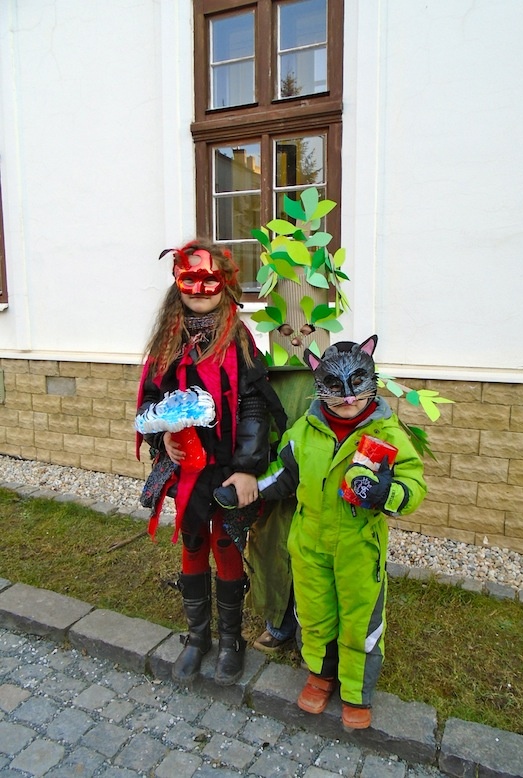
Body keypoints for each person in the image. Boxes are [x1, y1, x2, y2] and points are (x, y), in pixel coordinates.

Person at [256, 335, 427, 730]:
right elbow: (282, 475)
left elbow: (414, 484)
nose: (349, 397)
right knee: (314, 613)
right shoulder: (305, 430)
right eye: (335, 386)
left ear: (372, 378)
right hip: (310, 542)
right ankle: (320, 675)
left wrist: (388, 494)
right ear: (319, 382)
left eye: (358, 383)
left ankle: (356, 690)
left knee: (359, 619)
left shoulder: (388, 433)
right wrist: (244, 489)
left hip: (358, 547)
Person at [136, 239, 285, 688]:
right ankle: (198, 637)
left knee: (225, 543)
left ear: (225, 284)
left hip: (226, 464)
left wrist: (247, 467)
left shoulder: (238, 339)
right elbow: (151, 400)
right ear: (176, 283)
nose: (200, 289)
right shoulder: (167, 341)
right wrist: (162, 435)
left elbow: (255, 404)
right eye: (190, 280)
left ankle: (230, 641)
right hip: (186, 466)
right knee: (194, 540)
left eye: (209, 280)